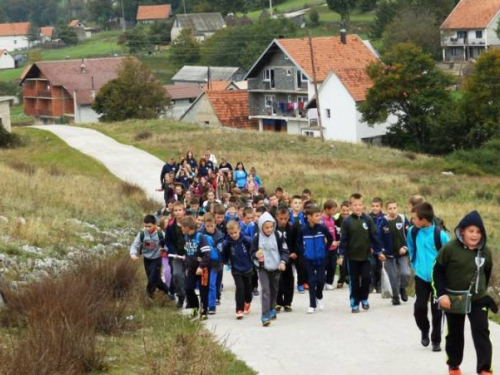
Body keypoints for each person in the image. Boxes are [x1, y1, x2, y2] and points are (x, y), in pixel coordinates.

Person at [433, 211, 496, 375]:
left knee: (481, 331)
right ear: (462, 231)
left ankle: (484, 369)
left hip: (478, 300)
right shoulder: (449, 249)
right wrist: (442, 294)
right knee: (455, 334)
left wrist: (481, 291)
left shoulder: (485, 252)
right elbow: (437, 271)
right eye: (471, 231)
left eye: (478, 231)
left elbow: (486, 273)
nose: (475, 235)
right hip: (454, 298)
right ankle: (453, 365)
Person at [407, 202, 450, 352]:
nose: (412, 221)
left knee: (437, 310)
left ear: (424, 219)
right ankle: (424, 329)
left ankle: (436, 340)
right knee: (419, 307)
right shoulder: (413, 231)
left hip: (438, 279)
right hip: (421, 277)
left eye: (415, 218)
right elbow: (411, 248)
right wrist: (415, 265)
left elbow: (449, 256)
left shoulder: (441, 235)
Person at [338, 193, 383, 313]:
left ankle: (364, 298)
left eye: (360, 205)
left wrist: (379, 251)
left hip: (366, 256)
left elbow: (375, 236)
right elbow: (344, 240)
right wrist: (341, 255)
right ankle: (354, 302)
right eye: (355, 205)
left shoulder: (368, 219)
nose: (358, 207)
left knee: (366, 278)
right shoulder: (347, 221)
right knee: (354, 281)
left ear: (363, 206)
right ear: (351, 206)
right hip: (351, 257)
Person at [252, 212, 289, 327]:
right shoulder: (257, 237)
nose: (269, 229)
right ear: (261, 226)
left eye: (271, 227)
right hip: (263, 267)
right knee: (266, 290)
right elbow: (251, 252)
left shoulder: (278, 235)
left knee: (274, 290)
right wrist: (255, 254)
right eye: (266, 227)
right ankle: (265, 315)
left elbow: (285, 251)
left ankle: (272, 308)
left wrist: (283, 262)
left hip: (276, 267)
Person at [298, 206, 333, 314]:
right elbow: (298, 242)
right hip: (309, 260)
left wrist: (325, 250)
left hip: (321, 258)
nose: (319, 217)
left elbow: (330, 239)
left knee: (321, 280)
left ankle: (319, 295)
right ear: (309, 217)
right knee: (312, 281)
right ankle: (312, 304)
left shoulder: (322, 228)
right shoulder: (303, 229)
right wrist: (304, 252)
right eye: (316, 215)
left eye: (319, 215)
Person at [378, 199, 411, 304]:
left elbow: (410, 235)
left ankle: (402, 288)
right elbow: (378, 238)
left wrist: (405, 247)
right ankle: (395, 297)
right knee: (393, 276)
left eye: (394, 208)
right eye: (390, 208)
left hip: (402, 253)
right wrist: (381, 252)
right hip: (389, 254)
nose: (392, 210)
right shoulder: (382, 221)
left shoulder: (402, 219)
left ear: (398, 208)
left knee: (405, 273)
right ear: (386, 210)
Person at [130, 215, 170, 298]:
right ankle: (168, 291)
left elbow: (168, 245)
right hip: (147, 259)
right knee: (156, 280)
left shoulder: (161, 234)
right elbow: (135, 245)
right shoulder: (142, 233)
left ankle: (149, 296)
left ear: (155, 224)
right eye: (145, 226)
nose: (147, 228)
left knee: (152, 279)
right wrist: (133, 254)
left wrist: (164, 249)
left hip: (157, 259)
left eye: (149, 226)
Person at [180, 216, 211, 320]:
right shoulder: (186, 237)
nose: (182, 229)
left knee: (203, 291)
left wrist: (201, 266)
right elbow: (187, 253)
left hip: (203, 269)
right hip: (190, 268)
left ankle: (204, 311)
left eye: (182, 227)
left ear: (187, 227)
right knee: (188, 288)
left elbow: (207, 254)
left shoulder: (200, 237)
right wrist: (186, 266)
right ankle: (194, 307)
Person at [222, 220, 254, 319]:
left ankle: (247, 301)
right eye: (231, 233)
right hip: (236, 268)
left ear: (239, 230)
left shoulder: (247, 240)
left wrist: (255, 260)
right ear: (228, 232)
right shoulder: (227, 243)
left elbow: (253, 251)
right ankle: (239, 309)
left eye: (235, 233)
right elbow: (224, 254)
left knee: (248, 288)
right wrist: (225, 262)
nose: (234, 235)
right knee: (240, 288)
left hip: (248, 267)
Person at [201, 213, 225, 314]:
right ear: (204, 225)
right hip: (204, 263)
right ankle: (204, 303)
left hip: (215, 263)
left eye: (212, 226)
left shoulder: (220, 235)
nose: (210, 228)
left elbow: (222, 249)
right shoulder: (200, 234)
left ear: (215, 225)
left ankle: (212, 305)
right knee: (204, 284)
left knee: (212, 284)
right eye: (207, 226)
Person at [165, 201, 187, 308]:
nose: (178, 213)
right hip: (176, 256)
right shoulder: (170, 225)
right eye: (175, 210)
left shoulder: (189, 222)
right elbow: (168, 241)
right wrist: (173, 252)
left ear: (184, 211)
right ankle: (181, 296)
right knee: (177, 275)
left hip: (189, 254)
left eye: (180, 210)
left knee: (188, 277)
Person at [275, 207, 297, 312]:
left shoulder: (292, 227)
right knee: (278, 280)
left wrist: (294, 252)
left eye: (285, 218)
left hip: (288, 258)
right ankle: (278, 301)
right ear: (277, 217)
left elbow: (296, 241)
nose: (283, 221)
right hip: (276, 258)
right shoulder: (273, 228)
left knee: (289, 280)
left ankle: (288, 302)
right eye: (281, 218)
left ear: (288, 217)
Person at [289, 195, 308, 294]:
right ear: (291, 204)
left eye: (299, 203)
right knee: (289, 266)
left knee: (301, 265)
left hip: (300, 244)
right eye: (295, 203)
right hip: (289, 244)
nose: (297, 205)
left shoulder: (303, 216)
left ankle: (301, 283)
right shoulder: (288, 216)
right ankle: (288, 285)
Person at [321, 200, 340, 290]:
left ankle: (329, 282)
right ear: (326, 209)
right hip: (325, 247)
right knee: (324, 265)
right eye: (332, 210)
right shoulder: (321, 220)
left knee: (332, 265)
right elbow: (322, 234)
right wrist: (329, 242)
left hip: (334, 247)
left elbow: (334, 232)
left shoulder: (332, 218)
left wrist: (336, 241)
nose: (334, 212)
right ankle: (321, 281)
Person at [369, 197, 384, 293]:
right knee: (372, 265)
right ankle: (371, 284)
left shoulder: (385, 218)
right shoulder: (367, 218)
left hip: (381, 248)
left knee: (380, 267)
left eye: (377, 206)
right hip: (371, 248)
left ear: (381, 207)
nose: (375, 208)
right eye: (373, 206)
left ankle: (379, 285)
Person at [335, 200, 350, 288]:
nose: (345, 212)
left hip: (349, 244)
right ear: (341, 210)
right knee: (341, 263)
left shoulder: (351, 219)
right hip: (339, 244)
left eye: (347, 210)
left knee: (349, 262)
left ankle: (347, 278)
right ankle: (341, 279)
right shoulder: (336, 220)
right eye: (343, 210)